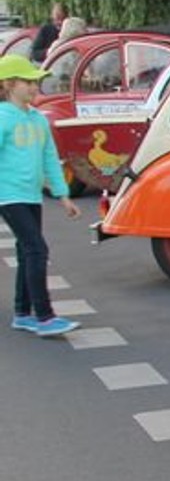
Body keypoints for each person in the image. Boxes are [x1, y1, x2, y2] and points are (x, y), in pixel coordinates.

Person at [0, 55, 82, 337]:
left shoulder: (38, 119)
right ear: (9, 84)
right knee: (37, 249)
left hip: (31, 195)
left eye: (36, 81)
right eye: (28, 81)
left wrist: (63, 195)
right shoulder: (2, 117)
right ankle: (44, 317)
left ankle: (22, 314)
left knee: (26, 251)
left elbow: (50, 158)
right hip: (8, 195)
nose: (35, 86)